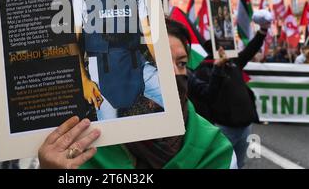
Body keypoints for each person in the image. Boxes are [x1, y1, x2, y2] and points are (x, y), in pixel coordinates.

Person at [37, 18, 236, 169]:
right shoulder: (83, 148)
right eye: (161, 62)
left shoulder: (215, 148)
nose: (174, 73)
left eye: (182, 63)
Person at [72, 0, 162, 120]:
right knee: (110, 132)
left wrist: (165, 68)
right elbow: (74, 42)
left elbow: (149, 34)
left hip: (137, 64)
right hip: (101, 70)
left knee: (174, 95)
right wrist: (83, 81)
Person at [188, 24, 269, 168]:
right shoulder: (204, 69)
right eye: (222, 46)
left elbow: (250, 50)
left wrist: (262, 31)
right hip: (224, 128)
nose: (226, 49)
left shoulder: (234, 63)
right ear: (214, 50)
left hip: (245, 126)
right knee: (223, 164)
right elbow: (205, 96)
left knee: (240, 163)